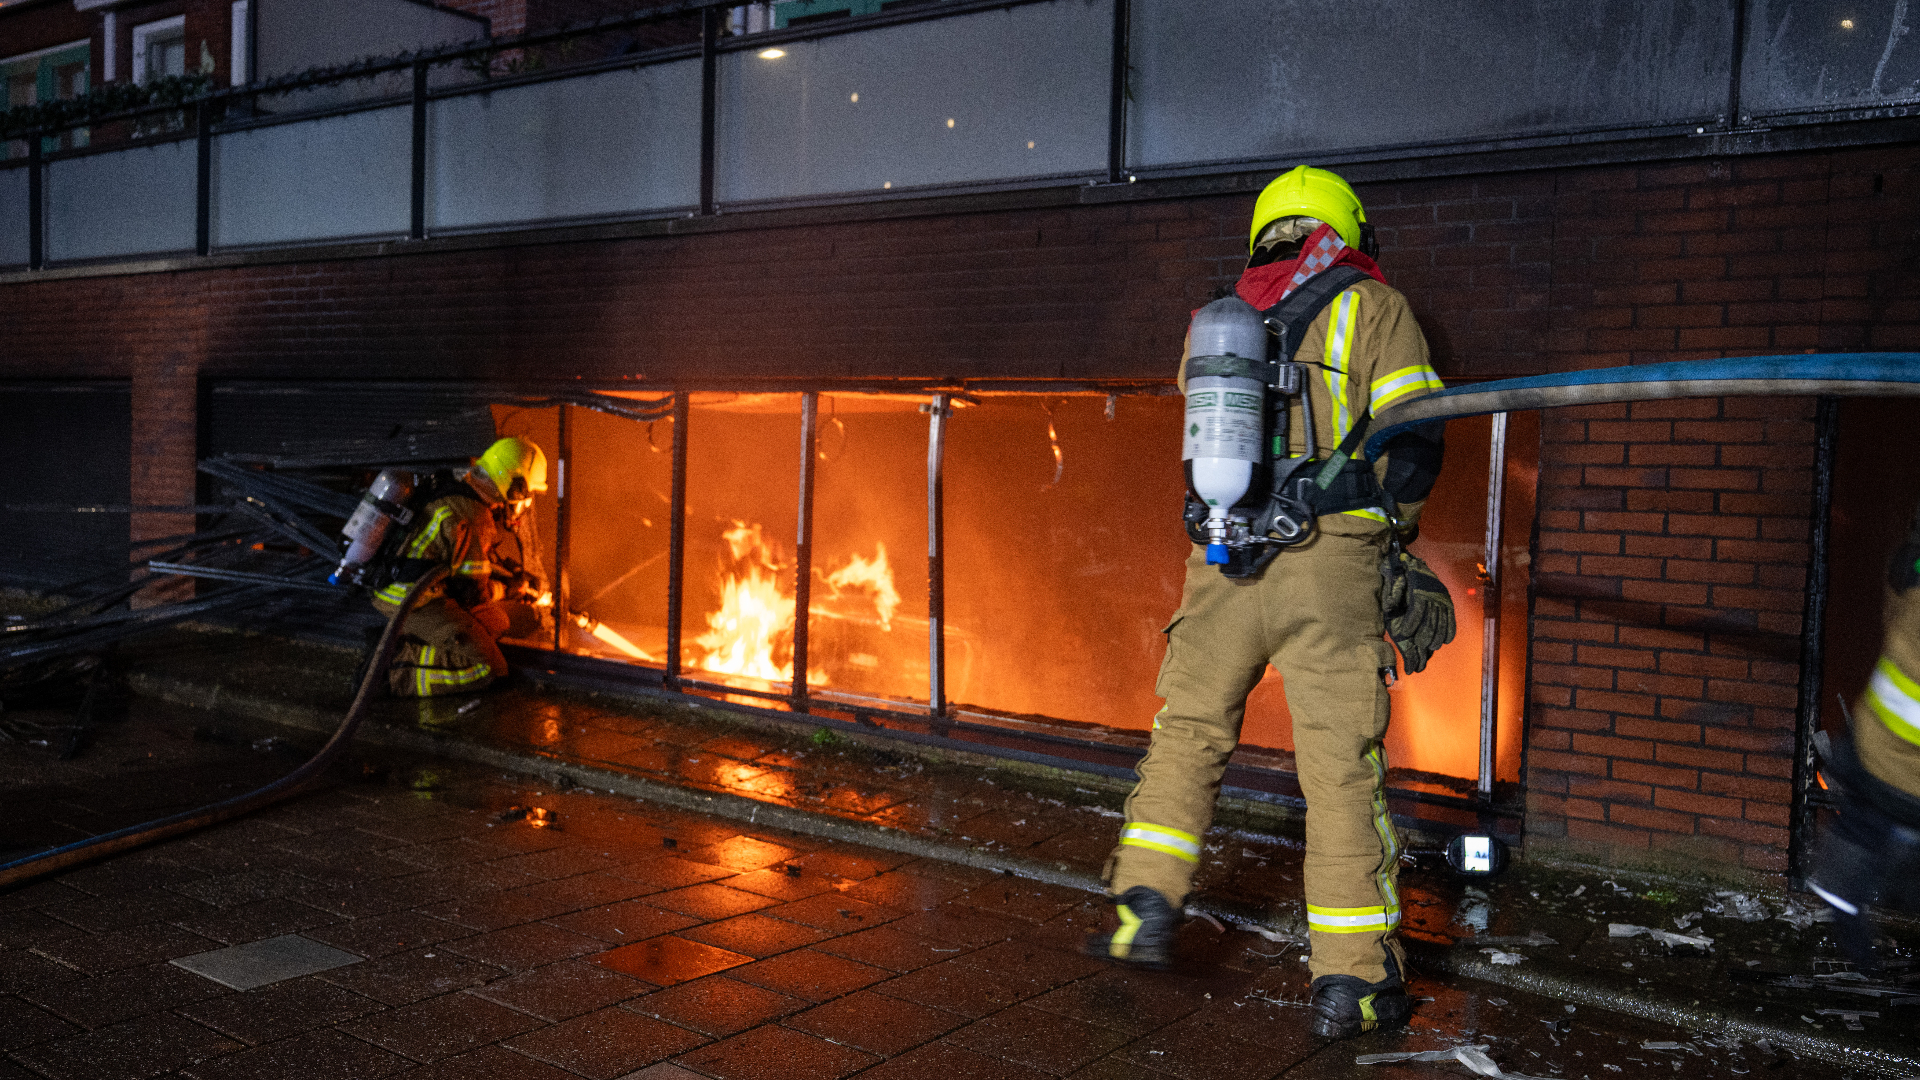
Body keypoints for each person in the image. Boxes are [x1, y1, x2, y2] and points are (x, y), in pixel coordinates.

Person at [1084, 166, 1453, 1040]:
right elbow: (1414, 439)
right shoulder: (1376, 306)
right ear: (1346, 226)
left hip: (1221, 560)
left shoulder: (1222, 324)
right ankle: (1352, 985)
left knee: (1186, 737)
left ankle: (1143, 904)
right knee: (1336, 774)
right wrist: (1392, 538)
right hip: (1327, 565)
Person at [1808, 502, 1920, 968]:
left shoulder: (1908, 570)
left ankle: (1843, 880)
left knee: (1867, 814)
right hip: (1904, 776)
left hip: (1874, 749)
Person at [371, 436, 549, 697]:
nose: (526, 503)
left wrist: (509, 583)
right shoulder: (475, 516)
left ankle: (415, 644)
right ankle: (394, 671)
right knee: (488, 668)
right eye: (528, 494)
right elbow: (472, 594)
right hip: (410, 599)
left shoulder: (458, 487)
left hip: (414, 588)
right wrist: (511, 590)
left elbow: (461, 566)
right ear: (515, 487)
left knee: (496, 621)